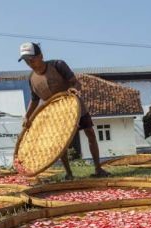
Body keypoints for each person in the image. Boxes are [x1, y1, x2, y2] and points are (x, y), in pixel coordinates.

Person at [19, 42, 109, 179]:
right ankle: (69, 173)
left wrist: (74, 89)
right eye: (26, 61)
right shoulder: (31, 79)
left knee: (90, 133)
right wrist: (27, 116)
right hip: (56, 115)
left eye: (32, 60)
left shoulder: (58, 65)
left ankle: (98, 169)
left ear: (41, 56)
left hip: (75, 107)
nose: (30, 63)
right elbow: (35, 99)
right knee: (59, 144)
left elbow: (76, 83)